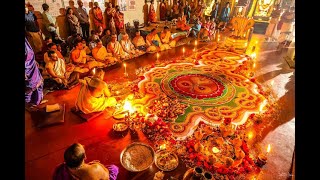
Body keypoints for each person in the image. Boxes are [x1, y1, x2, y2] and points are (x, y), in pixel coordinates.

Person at [53, 143, 119, 180]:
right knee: (114, 168)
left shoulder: (60, 169)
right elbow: (107, 176)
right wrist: (99, 165)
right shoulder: (95, 169)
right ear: (85, 157)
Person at [25, 37, 44, 108]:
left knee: (38, 84)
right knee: (29, 89)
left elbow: (29, 53)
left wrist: (34, 61)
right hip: (26, 71)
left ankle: (36, 104)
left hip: (32, 67)